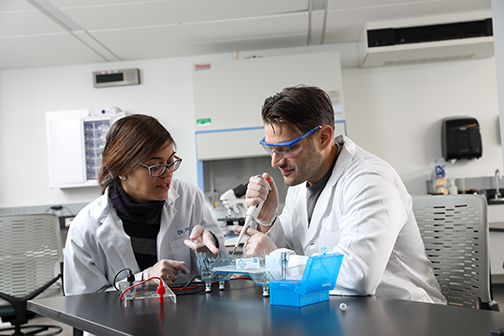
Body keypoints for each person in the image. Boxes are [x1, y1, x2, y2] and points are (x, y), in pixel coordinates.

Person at [235, 85, 446, 304]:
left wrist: (276, 261)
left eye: (287, 148)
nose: (275, 161)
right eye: (271, 148)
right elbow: (294, 250)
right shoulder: (300, 182)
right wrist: (268, 220)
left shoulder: (369, 180)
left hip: (404, 314)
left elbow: (358, 276)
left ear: (324, 137)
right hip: (342, 311)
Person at [64, 114, 224, 295]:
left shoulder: (189, 197)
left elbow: (222, 271)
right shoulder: (85, 228)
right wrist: (145, 280)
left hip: (187, 318)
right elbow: (82, 304)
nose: (167, 174)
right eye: (155, 167)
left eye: (170, 162)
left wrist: (211, 248)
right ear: (122, 170)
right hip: (119, 323)